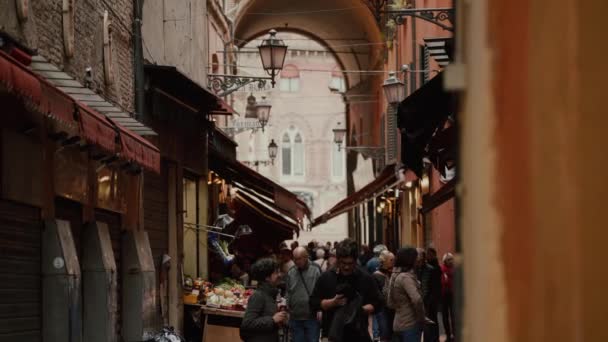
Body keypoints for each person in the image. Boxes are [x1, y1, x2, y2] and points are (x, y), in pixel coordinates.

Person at [310, 238, 382, 342]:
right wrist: (331, 303)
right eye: (343, 263)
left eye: (350, 263)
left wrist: (361, 310)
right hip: (332, 336)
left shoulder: (365, 278)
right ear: (337, 259)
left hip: (359, 336)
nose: (347, 267)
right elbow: (313, 302)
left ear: (356, 260)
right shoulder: (326, 278)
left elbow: (378, 302)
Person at [240, 258, 288, 342]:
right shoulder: (258, 296)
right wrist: (272, 320)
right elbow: (247, 323)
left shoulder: (270, 294)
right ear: (267, 277)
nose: (279, 275)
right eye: (276, 272)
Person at [387, 247, 425, 342]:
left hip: (397, 324)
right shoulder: (405, 277)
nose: (418, 259)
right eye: (416, 257)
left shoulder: (394, 275)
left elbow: (390, 303)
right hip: (410, 325)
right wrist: (421, 318)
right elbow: (417, 300)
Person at [285, 247, 322, 342]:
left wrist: (320, 309)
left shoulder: (316, 269)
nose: (296, 261)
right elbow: (288, 291)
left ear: (306, 257)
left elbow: (321, 291)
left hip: (312, 317)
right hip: (295, 316)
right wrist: (287, 308)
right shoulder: (291, 272)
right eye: (294, 259)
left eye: (299, 259)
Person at [415, 248, 437, 342]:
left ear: (424, 259)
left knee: (429, 328)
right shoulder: (413, 269)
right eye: (417, 260)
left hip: (428, 303)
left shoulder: (431, 270)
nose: (418, 261)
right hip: (417, 302)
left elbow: (434, 288)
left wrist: (430, 301)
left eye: (420, 259)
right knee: (417, 327)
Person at [372, 250, 395, 342]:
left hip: (393, 309)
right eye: (391, 260)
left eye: (394, 260)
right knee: (385, 334)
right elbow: (377, 295)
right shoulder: (376, 276)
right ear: (383, 261)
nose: (393, 262)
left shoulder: (393, 273)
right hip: (382, 310)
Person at [424, 248, 443, 342]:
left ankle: (433, 339)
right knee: (432, 319)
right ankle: (433, 338)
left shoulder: (433, 268)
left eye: (428, 254)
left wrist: (431, 299)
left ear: (432, 255)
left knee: (431, 319)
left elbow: (435, 285)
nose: (427, 256)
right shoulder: (434, 266)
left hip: (432, 298)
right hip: (433, 297)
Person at [441, 253, 456, 342]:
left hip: (452, 294)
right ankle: (448, 335)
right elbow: (442, 282)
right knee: (445, 316)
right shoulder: (442, 269)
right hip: (444, 295)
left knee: (453, 316)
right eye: (449, 259)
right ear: (445, 261)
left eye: (451, 259)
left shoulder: (455, 270)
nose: (451, 261)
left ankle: (454, 334)